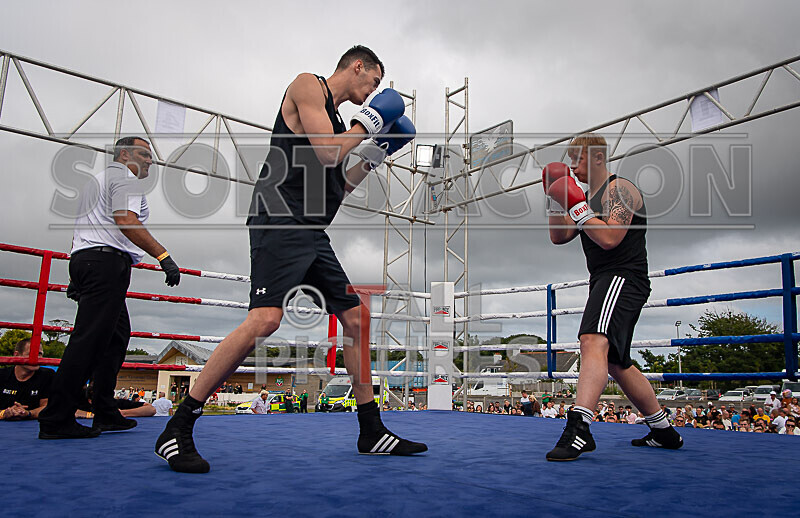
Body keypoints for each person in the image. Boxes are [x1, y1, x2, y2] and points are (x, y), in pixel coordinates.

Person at [154, 46, 424, 473]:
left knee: (356, 318)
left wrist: (375, 154)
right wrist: (368, 123)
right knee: (265, 320)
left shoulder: (338, 126)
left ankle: (371, 430)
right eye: (374, 82)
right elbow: (329, 152)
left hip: (310, 230)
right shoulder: (307, 86)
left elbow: (339, 187)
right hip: (279, 218)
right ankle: (178, 424)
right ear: (358, 66)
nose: (373, 92)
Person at [542, 134, 683, 461]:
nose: (573, 166)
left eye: (577, 158)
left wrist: (577, 205)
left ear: (597, 158)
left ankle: (580, 427)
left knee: (592, 339)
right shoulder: (585, 197)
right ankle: (663, 430)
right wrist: (555, 197)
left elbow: (609, 238)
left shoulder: (621, 190)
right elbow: (559, 236)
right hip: (605, 280)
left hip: (623, 276)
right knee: (616, 362)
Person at [39, 136, 181, 440]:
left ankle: (104, 410)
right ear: (125, 154)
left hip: (89, 259)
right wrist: (163, 256)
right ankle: (56, 417)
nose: (150, 160)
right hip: (104, 264)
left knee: (116, 337)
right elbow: (125, 220)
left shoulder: (99, 181)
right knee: (89, 340)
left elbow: (85, 227)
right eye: (144, 154)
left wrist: (76, 272)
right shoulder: (124, 179)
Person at [0, 338, 54, 421]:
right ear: (17, 355)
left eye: (39, 354)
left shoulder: (47, 375)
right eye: (31, 354)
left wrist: (28, 413)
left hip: (34, 427)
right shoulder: (2, 375)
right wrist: (4, 413)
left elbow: (47, 406)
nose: (36, 358)